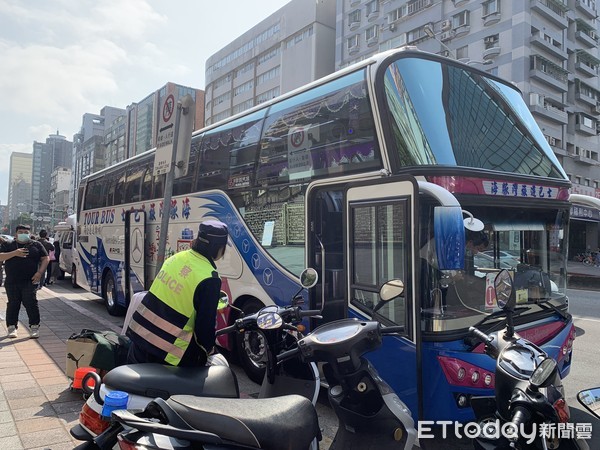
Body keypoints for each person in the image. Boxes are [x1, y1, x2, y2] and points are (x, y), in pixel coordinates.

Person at [126, 220, 229, 367]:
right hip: (166, 354)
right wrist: (209, 349)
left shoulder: (176, 258)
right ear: (218, 248)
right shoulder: (209, 277)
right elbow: (204, 329)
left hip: (139, 339)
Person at [0, 224, 49, 339]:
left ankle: (34, 327)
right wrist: (14, 253)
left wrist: (40, 273)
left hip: (30, 280)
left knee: (31, 303)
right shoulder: (9, 244)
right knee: (13, 304)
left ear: (30, 233)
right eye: (21, 232)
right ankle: (12, 327)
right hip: (12, 280)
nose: (23, 234)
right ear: (16, 234)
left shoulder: (36, 245)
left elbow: (45, 258)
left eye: (26, 232)